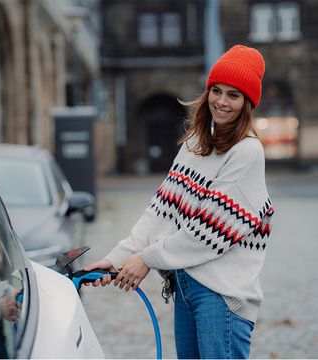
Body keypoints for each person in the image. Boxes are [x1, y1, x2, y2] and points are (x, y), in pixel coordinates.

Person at [84, 44, 274, 359]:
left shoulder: (247, 151)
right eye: (217, 90)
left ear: (247, 104)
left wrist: (146, 259)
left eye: (233, 95)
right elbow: (160, 212)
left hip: (221, 296)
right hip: (185, 286)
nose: (222, 102)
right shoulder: (195, 144)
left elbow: (209, 232)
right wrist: (117, 259)